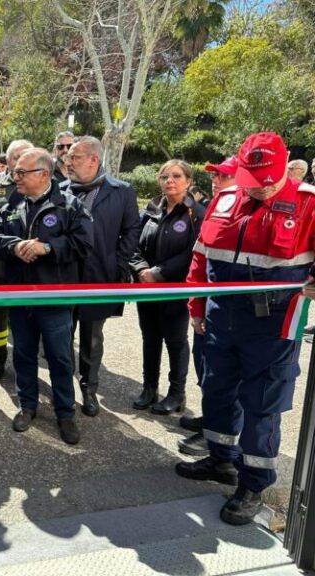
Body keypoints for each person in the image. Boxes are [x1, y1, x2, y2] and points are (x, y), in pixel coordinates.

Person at [176, 132, 315, 526]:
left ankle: (253, 484)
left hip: (273, 328)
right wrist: (196, 307)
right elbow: (201, 262)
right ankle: (221, 460)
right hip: (221, 320)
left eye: (269, 178)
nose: (263, 187)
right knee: (217, 391)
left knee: (262, 404)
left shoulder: (308, 203)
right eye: (254, 180)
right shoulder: (223, 201)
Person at [0, 148, 94, 444]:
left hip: (55, 298)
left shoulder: (69, 205)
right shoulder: (11, 202)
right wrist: (15, 247)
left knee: (60, 358)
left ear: (44, 175)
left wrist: (46, 248)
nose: (15, 178)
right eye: (15, 172)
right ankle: (27, 405)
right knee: (23, 354)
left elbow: (84, 243)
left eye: (22, 173)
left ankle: (64, 412)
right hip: (21, 297)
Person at [61, 136, 139, 417]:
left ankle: (89, 388)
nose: (68, 162)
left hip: (100, 276)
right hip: (65, 276)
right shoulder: (60, 190)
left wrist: (117, 262)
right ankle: (64, 388)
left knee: (92, 336)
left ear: (94, 159)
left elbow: (132, 230)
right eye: (69, 157)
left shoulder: (122, 191)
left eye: (75, 157)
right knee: (61, 333)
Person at [129, 160, 205, 415]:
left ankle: (176, 393)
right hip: (147, 288)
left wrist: (160, 273)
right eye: (164, 176)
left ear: (188, 181)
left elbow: (192, 252)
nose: (169, 181)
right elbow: (134, 245)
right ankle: (149, 388)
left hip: (175, 289)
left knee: (175, 341)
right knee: (150, 339)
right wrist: (140, 269)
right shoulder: (150, 209)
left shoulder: (196, 214)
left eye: (176, 176)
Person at [178, 155, 239, 457]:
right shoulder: (219, 206)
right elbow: (200, 261)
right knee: (207, 372)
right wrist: (196, 308)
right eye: (215, 176)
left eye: (224, 176)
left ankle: (219, 438)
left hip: (237, 317)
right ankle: (211, 423)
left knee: (227, 382)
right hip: (210, 309)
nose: (216, 182)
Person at [0, 139, 33, 382]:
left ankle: (25, 365)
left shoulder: (43, 186)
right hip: (0, 267)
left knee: (28, 321)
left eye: (27, 157)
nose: (21, 163)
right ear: (9, 161)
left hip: (32, 269)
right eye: (17, 158)